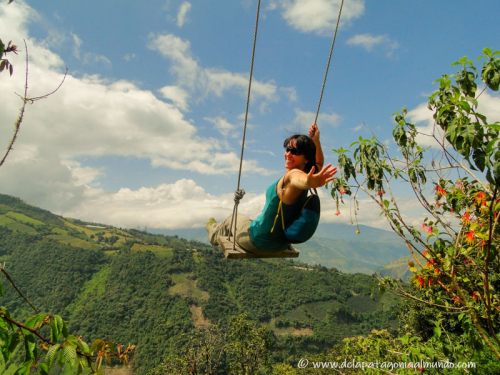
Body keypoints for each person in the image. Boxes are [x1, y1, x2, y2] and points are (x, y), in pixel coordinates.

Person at [207, 124, 337, 255]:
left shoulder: (293, 175)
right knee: (251, 221)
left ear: (306, 158)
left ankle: (212, 229)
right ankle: (219, 227)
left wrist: (309, 181)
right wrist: (316, 141)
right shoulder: (308, 170)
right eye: (288, 149)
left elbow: (298, 179)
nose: (288, 154)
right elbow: (319, 163)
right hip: (281, 243)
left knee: (233, 219)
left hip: (258, 240)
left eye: (295, 152)